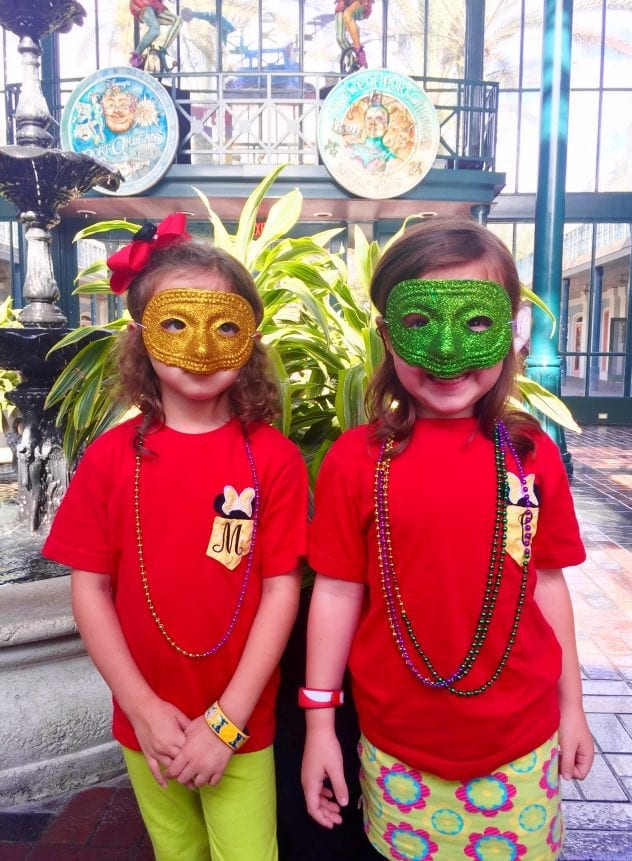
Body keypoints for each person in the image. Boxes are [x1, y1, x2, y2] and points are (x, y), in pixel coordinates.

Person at [302, 216, 594, 860]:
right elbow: (337, 593)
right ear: (387, 335)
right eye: (418, 324)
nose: (445, 353)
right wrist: (320, 724)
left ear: (510, 331)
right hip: (397, 748)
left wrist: (574, 707)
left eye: (477, 323)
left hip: (522, 743)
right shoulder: (358, 461)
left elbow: (548, 583)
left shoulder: (531, 456)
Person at [43, 212, 308, 861]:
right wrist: (143, 708)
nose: (199, 350)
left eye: (223, 327)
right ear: (141, 337)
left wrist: (225, 722)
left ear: (249, 338)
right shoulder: (109, 460)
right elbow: (91, 592)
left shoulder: (273, 460)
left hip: (240, 726)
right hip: (146, 726)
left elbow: (281, 591)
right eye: (175, 325)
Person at [129, 0, 182, 69]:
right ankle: (136, 54)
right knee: (155, 29)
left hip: (155, 8)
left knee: (177, 21)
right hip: (143, 5)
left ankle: (163, 49)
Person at [335, 0, 372, 68]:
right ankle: (351, 60)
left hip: (360, 2)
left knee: (347, 14)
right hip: (342, 5)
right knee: (340, 37)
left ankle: (359, 50)